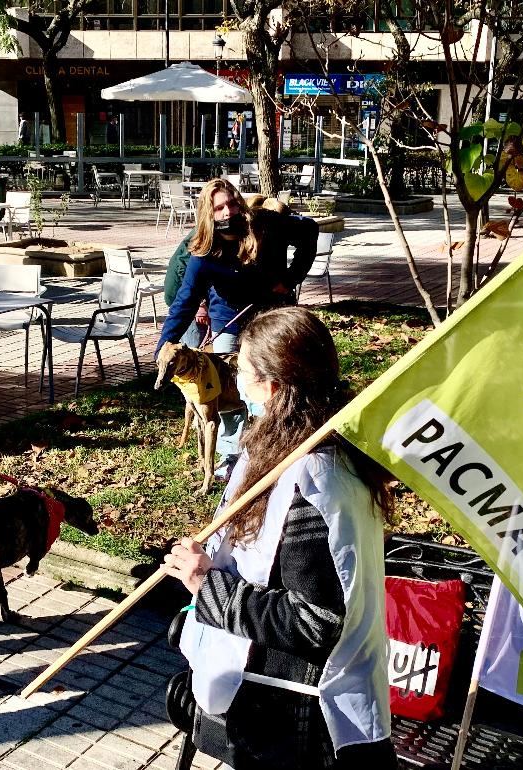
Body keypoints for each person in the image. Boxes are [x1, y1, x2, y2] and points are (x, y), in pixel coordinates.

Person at [163, 306, 397, 770]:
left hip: (300, 718)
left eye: (242, 371)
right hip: (270, 699)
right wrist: (211, 557)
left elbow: (316, 622)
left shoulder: (317, 480)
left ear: (271, 387)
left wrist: (206, 585)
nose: (236, 383)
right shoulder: (289, 447)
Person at [158, 179, 318, 474]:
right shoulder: (202, 254)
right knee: (226, 389)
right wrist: (163, 347)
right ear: (208, 214)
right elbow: (183, 303)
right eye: (219, 208)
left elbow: (309, 230)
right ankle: (230, 458)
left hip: (270, 317)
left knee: (277, 386)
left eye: (232, 203)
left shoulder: (265, 224)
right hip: (228, 320)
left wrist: (291, 277)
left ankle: (279, 448)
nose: (228, 212)